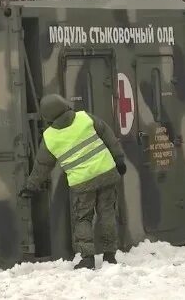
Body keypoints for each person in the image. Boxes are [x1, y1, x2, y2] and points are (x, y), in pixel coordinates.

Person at [18, 93, 127, 269]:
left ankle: (87, 258)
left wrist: (31, 186)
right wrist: (119, 158)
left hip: (83, 183)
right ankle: (110, 256)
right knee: (107, 214)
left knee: (83, 218)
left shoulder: (50, 137)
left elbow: (42, 166)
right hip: (107, 173)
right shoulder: (85, 118)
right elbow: (108, 134)